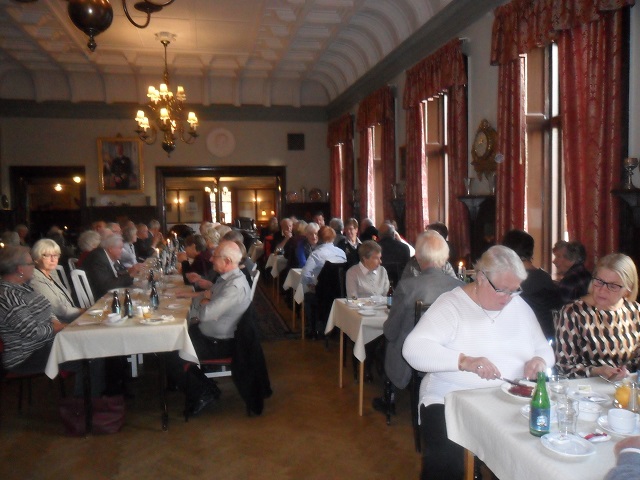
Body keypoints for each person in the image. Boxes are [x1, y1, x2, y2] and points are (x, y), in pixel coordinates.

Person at [403, 245, 554, 480]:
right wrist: (464, 361)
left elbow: (545, 348)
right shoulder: (452, 305)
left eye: (514, 290)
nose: (508, 298)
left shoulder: (519, 306)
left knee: (536, 455)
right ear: (481, 277)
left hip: (507, 399)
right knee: (446, 463)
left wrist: (539, 360)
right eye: (502, 290)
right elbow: (413, 349)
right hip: (451, 398)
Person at [372, 230, 463, 414]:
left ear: (418, 257)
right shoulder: (459, 287)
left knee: (385, 343)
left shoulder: (408, 287)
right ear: (444, 257)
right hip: (448, 352)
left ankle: (389, 399)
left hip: (413, 355)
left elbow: (391, 330)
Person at [167, 241, 251, 417]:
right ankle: (206, 386)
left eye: (215, 256)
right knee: (171, 342)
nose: (211, 259)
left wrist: (205, 301)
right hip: (209, 335)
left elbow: (206, 314)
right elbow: (208, 296)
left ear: (227, 261)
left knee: (172, 353)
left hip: (219, 342)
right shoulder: (227, 278)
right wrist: (203, 298)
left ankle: (201, 393)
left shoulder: (234, 286)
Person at [555, 253, 640, 380]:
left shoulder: (635, 311)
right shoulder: (573, 313)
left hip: (626, 386)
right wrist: (597, 371)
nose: (602, 290)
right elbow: (563, 367)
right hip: (586, 388)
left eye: (613, 286)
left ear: (628, 290)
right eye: (599, 281)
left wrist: (626, 371)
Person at [0, 246, 65, 374]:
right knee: (82, 352)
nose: (34, 267)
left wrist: (56, 322)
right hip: (26, 356)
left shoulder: (23, 287)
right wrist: (60, 327)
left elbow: (46, 309)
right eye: (31, 263)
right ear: (20, 269)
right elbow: (33, 333)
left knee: (83, 345)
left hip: (44, 345)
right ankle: (91, 386)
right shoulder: (7, 296)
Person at [501, 229, 563, 341]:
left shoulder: (506, 279)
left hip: (515, 337)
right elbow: (556, 306)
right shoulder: (543, 277)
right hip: (544, 335)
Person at [301, 226, 347, 338]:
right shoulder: (341, 252)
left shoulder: (316, 254)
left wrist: (311, 284)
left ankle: (314, 328)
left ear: (319, 238)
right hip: (340, 293)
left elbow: (305, 274)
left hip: (322, 293)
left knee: (307, 296)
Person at [29, 239, 83, 323]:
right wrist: (86, 311)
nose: (53, 259)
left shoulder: (52, 272)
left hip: (72, 319)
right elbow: (60, 311)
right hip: (61, 325)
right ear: (36, 258)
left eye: (56, 255)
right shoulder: (35, 279)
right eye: (47, 255)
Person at [80, 234, 140, 299]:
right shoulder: (98, 258)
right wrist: (130, 275)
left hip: (105, 293)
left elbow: (115, 275)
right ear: (111, 249)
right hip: (98, 298)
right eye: (120, 248)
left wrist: (128, 272)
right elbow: (107, 286)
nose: (122, 251)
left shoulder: (105, 255)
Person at [377, 222, 410, 286]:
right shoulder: (404, 248)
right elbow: (408, 269)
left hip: (379, 283)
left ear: (379, 235)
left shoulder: (375, 248)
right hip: (401, 284)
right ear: (393, 234)